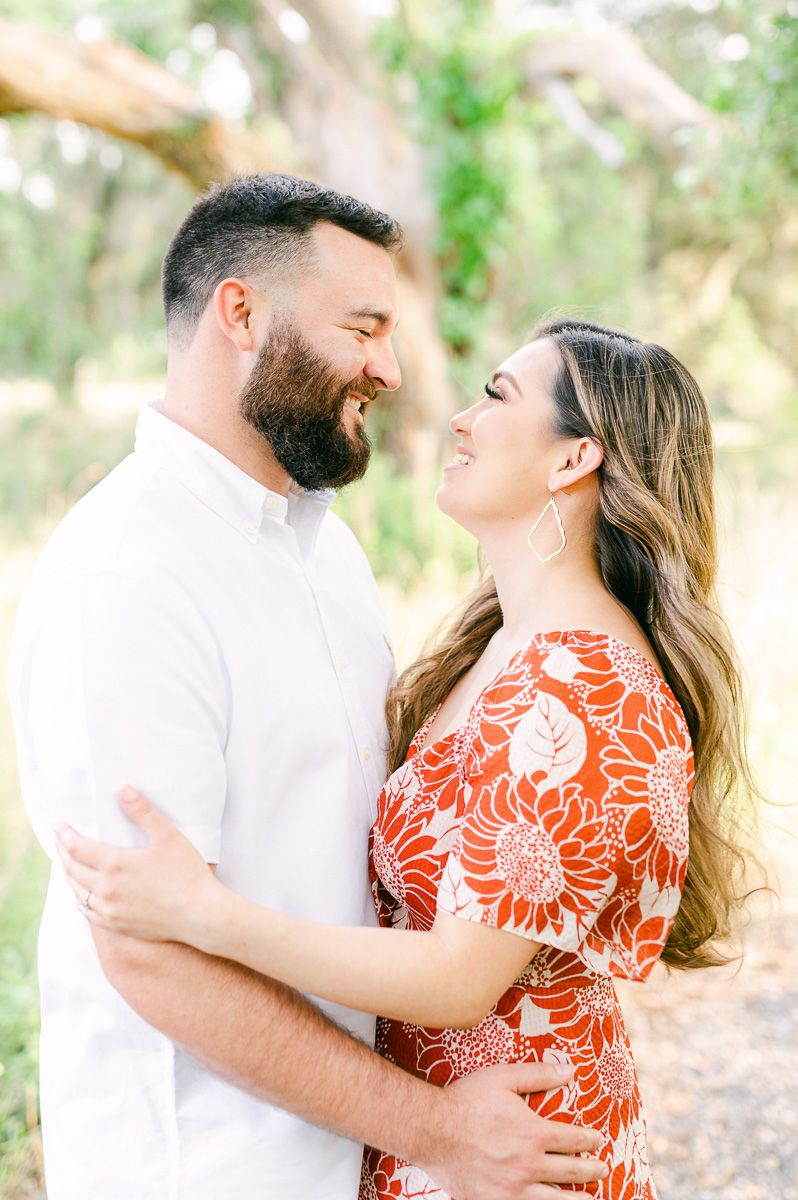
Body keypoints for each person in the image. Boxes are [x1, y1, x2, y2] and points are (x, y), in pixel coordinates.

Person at [57, 317, 754, 1199]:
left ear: (575, 459)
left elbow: (458, 976)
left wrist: (210, 915)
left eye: (497, 395)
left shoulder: (582, 688)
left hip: (516, 1152)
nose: (460, 418)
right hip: (453, 1134)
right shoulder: (506, 647)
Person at [6, 175, 605, 1200]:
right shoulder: (129, 573)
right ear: (242, 313)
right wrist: (437, 1128)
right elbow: (151, 956)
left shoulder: (325, 549)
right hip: (207, 1166)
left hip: (357, 1154)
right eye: (364, 327)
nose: (393, 367)